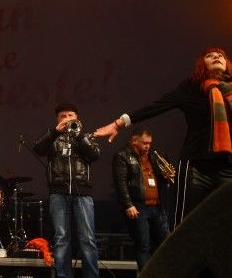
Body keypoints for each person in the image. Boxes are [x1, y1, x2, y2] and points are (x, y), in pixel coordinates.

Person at [94, 47, 232, 223]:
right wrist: (118, 123)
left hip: (228, 165)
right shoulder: (190, 88)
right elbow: (158, 106)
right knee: (185, 222)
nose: (216, 57)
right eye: (210, 55)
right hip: (195, 166)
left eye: (220, 55)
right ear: (202, 64)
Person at [33, 103, 100, 278]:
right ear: (57, 119)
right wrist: (55, 131)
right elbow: (38, 148)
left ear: (77, 118)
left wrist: (79, 136)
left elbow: (95, 154)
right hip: (58, 193)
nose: (67, 118)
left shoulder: (86, 137)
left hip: (82, 194)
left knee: (88, 239)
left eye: (70, 115)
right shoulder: (53, 138)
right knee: (61, 239)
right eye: (63, 116)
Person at [112, 127, 170, 271]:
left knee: (166, 243)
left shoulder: (153, 156)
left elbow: (158, 179)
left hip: (157, 207)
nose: (148, 146)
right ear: (134, 141)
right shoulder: (122, 155)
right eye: (144, 143)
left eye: (149, 143)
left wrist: (166, 177)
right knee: (143, 245)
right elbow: (120, 183)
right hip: (139, 207)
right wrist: (128, 205)